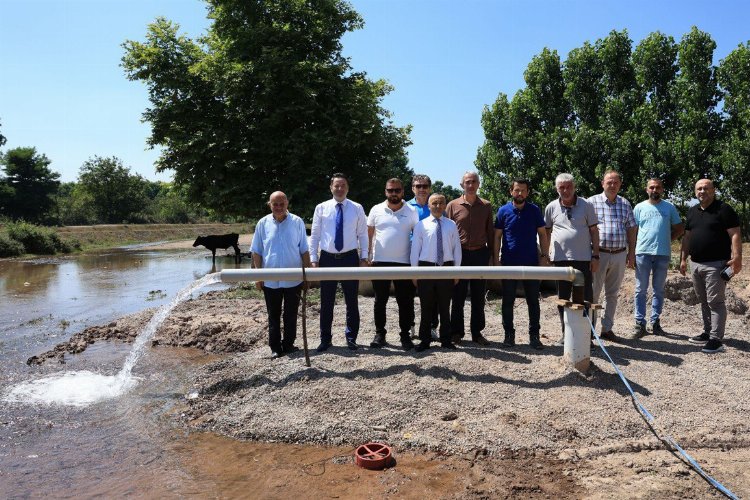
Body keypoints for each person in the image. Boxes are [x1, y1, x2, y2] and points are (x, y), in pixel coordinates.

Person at [679, 178, 742, 353]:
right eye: (699, 189)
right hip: (696, 264)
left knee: (715, 301)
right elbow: (687, 237)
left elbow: (735, 234)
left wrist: (737, 258)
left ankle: (716, 339)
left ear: (713, 190)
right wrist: (683, 259)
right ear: (695, 192)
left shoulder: (724, 210)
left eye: (706, 188)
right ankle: (707, 332)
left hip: (716, 264)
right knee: (704, 300)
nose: (702, 191)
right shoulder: (692, 211)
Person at [309, 173, 368, 352]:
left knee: (352, 301)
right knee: (326, 301)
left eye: (343, 185)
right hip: (327, 258)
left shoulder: (357, 208)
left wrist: (364, 257)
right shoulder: (321, 208)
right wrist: (313, 259)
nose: (340, 189)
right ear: (331, 187)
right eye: (337, 185)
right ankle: (325, 339)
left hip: (350, 258)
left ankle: (351, 338)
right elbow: (315, 235)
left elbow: (363, 234)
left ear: (347, 188)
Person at [250, 191, 311, 359]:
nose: (278, 207)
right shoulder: (262, 224)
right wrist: (258, 276)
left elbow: (304, 250)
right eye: (275, 204)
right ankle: (275, 347)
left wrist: (308, 276)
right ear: (269, 204)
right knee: (273, 315)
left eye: (281, 204)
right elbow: (256, 252)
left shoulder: (297, 222)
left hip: (294, 279)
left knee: (291, 314)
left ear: (287, 204)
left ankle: (289, 344)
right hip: (270, 280)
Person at [493, 179, 549, 350]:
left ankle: (534, 336)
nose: (520, 193)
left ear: (527, 192)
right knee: (507, 301)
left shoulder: (534, 210)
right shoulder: (503, 211)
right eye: (517, 190)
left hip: (531, 263)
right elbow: (497, 237)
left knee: (533, 301)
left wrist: (544, 257)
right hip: (509, 263)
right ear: (511, 191)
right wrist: (496, 260)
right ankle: (508, 335)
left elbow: (542, 234)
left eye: (523, 190)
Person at [544, 173, 599, 344]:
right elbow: (546, 231)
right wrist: (546, 254)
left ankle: (587, 336)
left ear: (574, 187)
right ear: (556, 188)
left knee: (586, 298)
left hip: (583, 260)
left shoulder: (586, 205)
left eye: (568, 186)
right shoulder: (551, 207)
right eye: (562, 187)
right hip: (560, 260)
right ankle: (565, 333)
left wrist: (595, 255)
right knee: (563, 299)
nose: (565, 190)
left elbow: (594, 232)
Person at [367, 178, 419, 350]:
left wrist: (415, 263)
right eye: (390, 190)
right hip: (379, 262)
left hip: (404, 263)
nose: (394, 193)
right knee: (379, 301)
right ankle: (380, 334)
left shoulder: (411, 211)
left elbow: (418, 238)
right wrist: (366, 257)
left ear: (403, 192)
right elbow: (368, 235)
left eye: (397, 190)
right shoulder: (376, 209)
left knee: (405, 301)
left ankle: (405, 335)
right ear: (385, 191)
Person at [587, 170, 637, 341]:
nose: (612, 185)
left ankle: (607, 329)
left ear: (620, 184)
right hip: (598, 254)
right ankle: (590, 329)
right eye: (609, 182)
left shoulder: (625, 203)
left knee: (612, 294)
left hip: (619, 255)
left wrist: (632, 253)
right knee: (593, 293)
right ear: (602, 183)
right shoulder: (591, 202)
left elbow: (631, 228)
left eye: (616, 182)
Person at [446, 171, 494, 346]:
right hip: (460, 255)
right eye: (467, 182)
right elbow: (447, 233)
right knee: (458, 295)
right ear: (462, 185)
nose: (471, 185)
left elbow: (490, 232)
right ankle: (456, 332)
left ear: (478, 184)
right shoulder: (452, 205)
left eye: (474, 181)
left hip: (480, 253)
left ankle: (477, 332)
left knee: (478, 296)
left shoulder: (486, 205)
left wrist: (493, 258)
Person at [632, 178, 683, 338]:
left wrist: (668, 239)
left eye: (658, 187)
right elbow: (633, 230)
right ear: (647, 190)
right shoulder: (639, 207)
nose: (655, 190)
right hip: (642, 253)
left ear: (662, 190)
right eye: (652, 187)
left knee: (659, 290)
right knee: (640, 289)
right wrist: (631, 252)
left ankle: (655, 322)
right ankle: (640, 324)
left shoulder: (669, 207)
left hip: (662, 254)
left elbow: (680, 228)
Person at [410, 194, 462, 352]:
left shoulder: (451, 225)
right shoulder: (421, 225)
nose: (438, 206)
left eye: (441, 203)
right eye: (434, 203)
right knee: (426, 306)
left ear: (445, 205)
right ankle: (424, 340)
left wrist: (457, 271)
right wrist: (414, 273)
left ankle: (446, 340)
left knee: (445, 306)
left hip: (446, 267)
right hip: (426, 268)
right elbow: (415, 251)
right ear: (429, 205)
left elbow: (457, 249)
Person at [407, 174, 439, 339]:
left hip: (430, 256)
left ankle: (432, 327)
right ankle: (410, 326)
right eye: (418, 186)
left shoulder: (436, 206)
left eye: (424, 186)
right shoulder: (405, 207)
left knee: (432, 294)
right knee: (409, 294)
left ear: (429, 188)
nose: (421, 189)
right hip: (409, 254)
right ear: (412, 188)